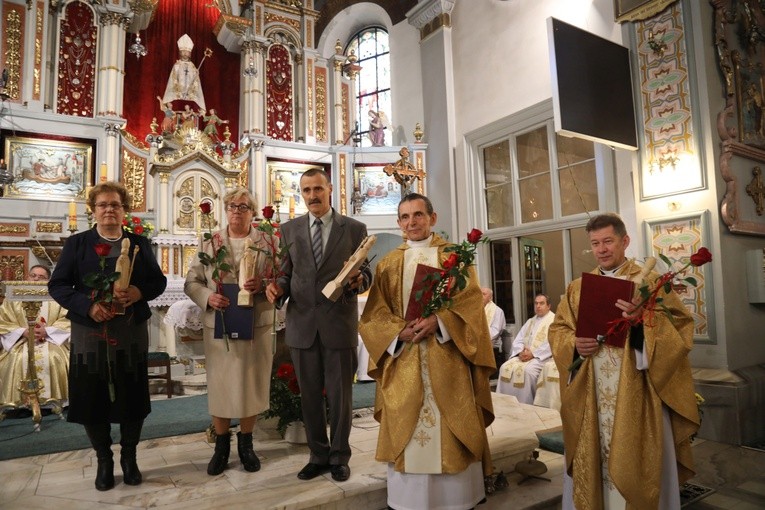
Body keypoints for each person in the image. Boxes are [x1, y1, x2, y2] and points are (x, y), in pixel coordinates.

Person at [548, 213, 699, 509]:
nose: (602, 249)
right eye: (595, 243)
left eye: (608, 241)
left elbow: (681, 328)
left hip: (637, 391)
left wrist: (643, 321)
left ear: (624, 241)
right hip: (591, 392)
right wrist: (575, 345)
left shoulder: (650, 282)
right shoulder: (577, 288)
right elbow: (559, 330)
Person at [358, 193, 495, 510]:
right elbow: (373, 316)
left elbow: (471, 308)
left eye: (418, 215)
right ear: (398, 223)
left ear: (433, 218)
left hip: (448, 363)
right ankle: (409, 502)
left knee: (451, 427)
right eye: (405, 217)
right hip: (405, 360)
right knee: (409, 427)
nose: (412, 222)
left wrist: (440, 321)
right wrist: (397, 331)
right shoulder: (390, 264)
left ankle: (458, 501)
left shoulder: (455, 259)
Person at [48, 182, 167, 492]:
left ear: (124, 209)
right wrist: (87, 306)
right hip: (90, 335)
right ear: (94, 210)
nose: (109, 210)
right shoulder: (77, 244)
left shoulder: (139, 243)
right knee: (92, 397)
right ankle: (104, 459)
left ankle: (130, 457)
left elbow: (158, 281)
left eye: (115, 204)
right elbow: (58, 286)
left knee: (132, 395)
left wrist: (140, 291)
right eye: (103, 205)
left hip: (130, 334)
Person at [265, 168, 371, 483]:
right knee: (309, 395)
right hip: (302, 325)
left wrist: (357, 281)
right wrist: (277, 288)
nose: (312, 196)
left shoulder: (353, 228)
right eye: (306, 190)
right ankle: (317, 455)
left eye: (317, 189)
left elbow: (366, 275)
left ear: (330, 189)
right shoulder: (289, 230)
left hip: (338, 322)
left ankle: (339, 456)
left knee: (340, 397)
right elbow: (285, 273)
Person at [184, 188, 277, 476]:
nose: (237, 211)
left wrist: (263, 285)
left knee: (252, 383)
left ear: (253, 211)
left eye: (244, 206)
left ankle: (246, 444)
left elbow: (279, 278)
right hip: (220, 323)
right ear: (225, 210)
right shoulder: (211, 242)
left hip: (255, 322)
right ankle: (221, 445)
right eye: (232, 206)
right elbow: (192, 282)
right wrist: (208, 298)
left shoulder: (268, 241)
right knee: (222, 385)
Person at [0, 265, 70, 406]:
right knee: (18, 358)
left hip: (50, 341)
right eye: (33, 275)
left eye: (41, 277)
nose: (36, 279)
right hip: (21, 341)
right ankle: (19, 403)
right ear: (27, 277)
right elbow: (3, 320)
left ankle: (52, 402)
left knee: (53, 357)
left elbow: (66, 319)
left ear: (49, 280)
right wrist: (22, 332)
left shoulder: (57, 297)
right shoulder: (13, 297)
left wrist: (48, 331)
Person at [496, 293, 554, 404]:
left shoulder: (553, 321)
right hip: (524, 356)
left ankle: (527, 405)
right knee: (504, 367)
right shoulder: (530, 321)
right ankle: (505, 404)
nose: (538, 306)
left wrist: (533, 354)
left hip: (541, 358)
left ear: (549, 306)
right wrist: (520, 352)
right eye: (536, 303)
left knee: (528, 371)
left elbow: (551, 343)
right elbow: (519, 339)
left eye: (541, 303)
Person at [162, 33, 206, 111]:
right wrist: (179, 91)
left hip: (190, 95)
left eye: (187, 52)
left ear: (190, 53)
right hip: (178, 94)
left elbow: (196, 81)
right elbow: (173, 78)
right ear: (180, 52)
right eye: (183, 51)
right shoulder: (177, 65)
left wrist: (196, 75)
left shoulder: (192, 66)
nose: (185, 53)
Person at [481, 287, 506, 375]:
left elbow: (495, 331)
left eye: (484, 294)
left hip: (492, 347)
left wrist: (479, 337)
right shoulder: (476, 310)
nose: (480, 296)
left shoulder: (497, 311)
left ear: (490, 298)